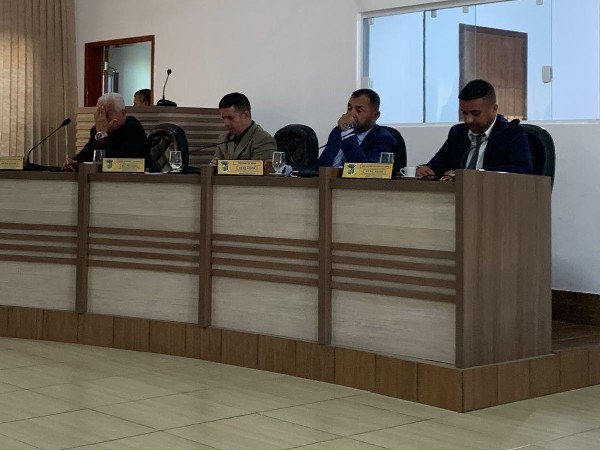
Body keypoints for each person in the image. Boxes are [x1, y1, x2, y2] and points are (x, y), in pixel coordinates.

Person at [416, 79, 533, 179]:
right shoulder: (458, 132)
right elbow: (435, 166)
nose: (468, 120)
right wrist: (426, 170)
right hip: (459, 196)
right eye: (464, 113)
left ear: (494, 109)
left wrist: (476, 175)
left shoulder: (510, 132)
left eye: (475, 113)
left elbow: (525, 170)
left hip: (495, 195)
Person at [63, 92, 151, 171]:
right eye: (100, 113)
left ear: (123, 113)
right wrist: (75, 163)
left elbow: (114, 165)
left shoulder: (134, 129)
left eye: (108, 114)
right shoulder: (97, 129)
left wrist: (102, 134)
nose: (103, 119)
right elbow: (88, 154)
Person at [318, 88, 396, 167]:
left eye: (359, 110)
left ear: (375, 116)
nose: (352, 113)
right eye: (349, 108)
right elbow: (320, 167)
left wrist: (347, 131)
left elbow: (363, 170)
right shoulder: (338, 132)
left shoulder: (382, 138)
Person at [211, 92, 276, 163]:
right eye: (223, 118)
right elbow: (214, 166)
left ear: (246, 115)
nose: (226, 123)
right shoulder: (223, 138)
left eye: (230, 118)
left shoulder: (264, 140)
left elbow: (259, 168)